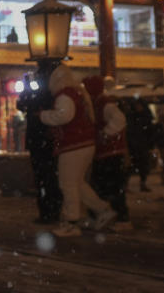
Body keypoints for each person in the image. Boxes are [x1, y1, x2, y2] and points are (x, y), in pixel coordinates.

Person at [39, 64, 117, 237]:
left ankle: (71, 222)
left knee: (67, 184)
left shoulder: (65, 95)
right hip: (85, 143)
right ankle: (103, 210)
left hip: (73, 145)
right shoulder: (78, 93)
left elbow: (63, 116)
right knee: (78, 183)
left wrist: (43, 116)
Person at [83, 76, 132, 231]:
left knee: (111, 186)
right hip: (107, 152)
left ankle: (121, 218)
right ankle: (105, 216)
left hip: (110, 152)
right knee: (105, 186)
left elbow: (119, 119)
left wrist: (105, 134)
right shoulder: (99, 103)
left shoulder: (104, 104)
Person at [16, 79, 62, 225]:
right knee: (49, 177)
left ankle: (48, 211)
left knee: (44, 178)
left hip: (40, 141)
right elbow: (22, 105)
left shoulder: (41, 99)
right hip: (44, 141)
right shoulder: (48, 96)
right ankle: (51, 210)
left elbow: (22, 105)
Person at [126, 97, 155, 192]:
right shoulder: (132, 116)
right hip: (133, 144)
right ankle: (126, 185)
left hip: (142, 144)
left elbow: (150, 131)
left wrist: (150, 144)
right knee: (130, 165)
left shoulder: (146, 116)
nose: (138, 107)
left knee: (143, 165)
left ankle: (143, 183)